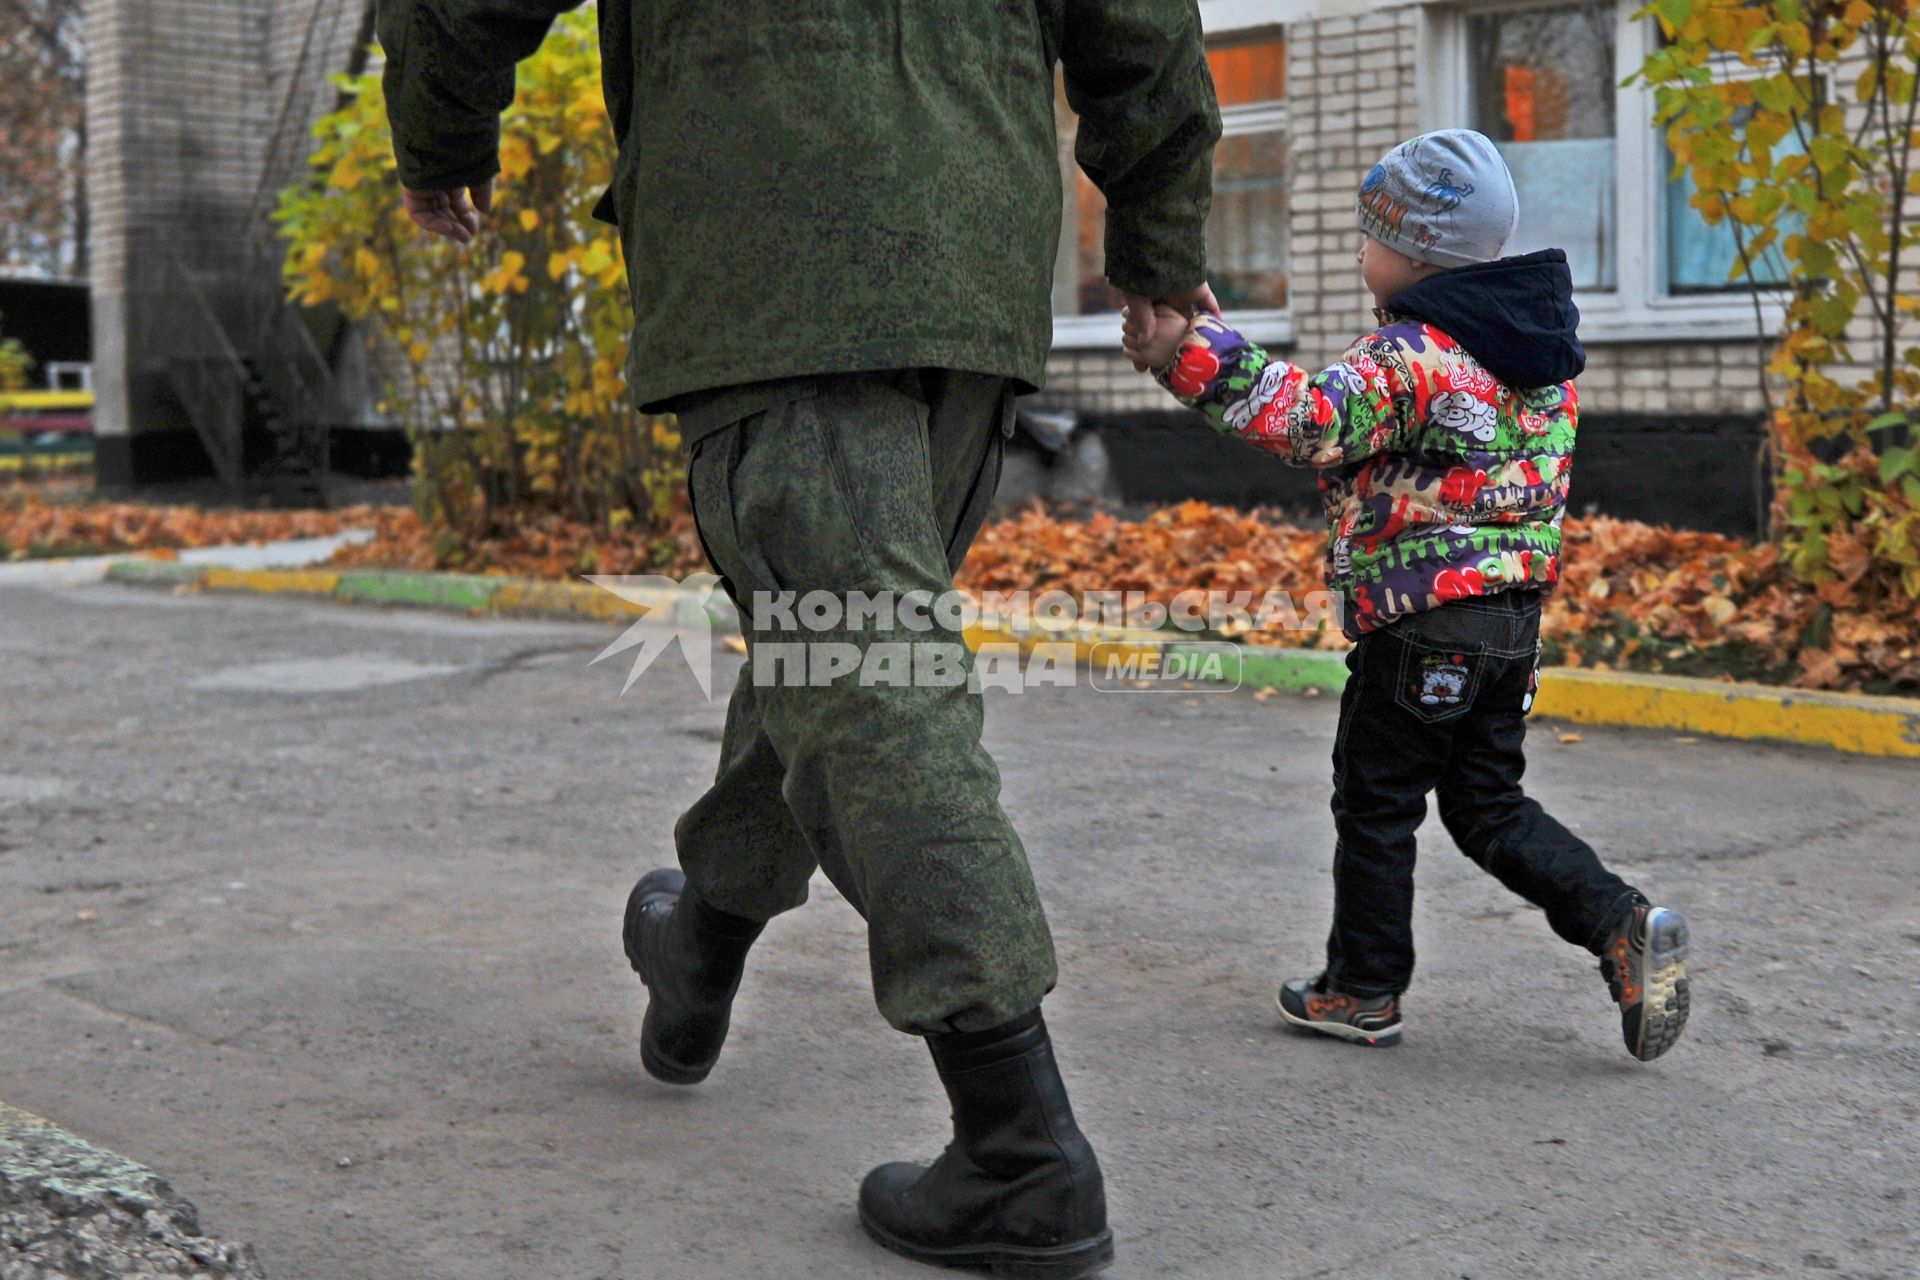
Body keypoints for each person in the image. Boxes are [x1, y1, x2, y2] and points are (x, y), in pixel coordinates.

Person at [380, 0, 1221, 1272]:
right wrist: (1158, 237)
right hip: (969, 259)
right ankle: (701, 940)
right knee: (834, 645)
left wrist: (438, 135)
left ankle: (1020, 1146)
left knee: (869, 676)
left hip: (772, 249)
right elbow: (1138, 16)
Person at [1122, 129, 1692, 1063]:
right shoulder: (1541, 360)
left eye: (1369, 237)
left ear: (1416, 252)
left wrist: (1192, 354)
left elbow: (1309, 422)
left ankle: (1362, 987)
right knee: (1487, 804)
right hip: (1510, 623)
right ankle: (1619, 921)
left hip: (1421, 623)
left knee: (1377, 804)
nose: (1358, 254)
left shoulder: (1411, 354)